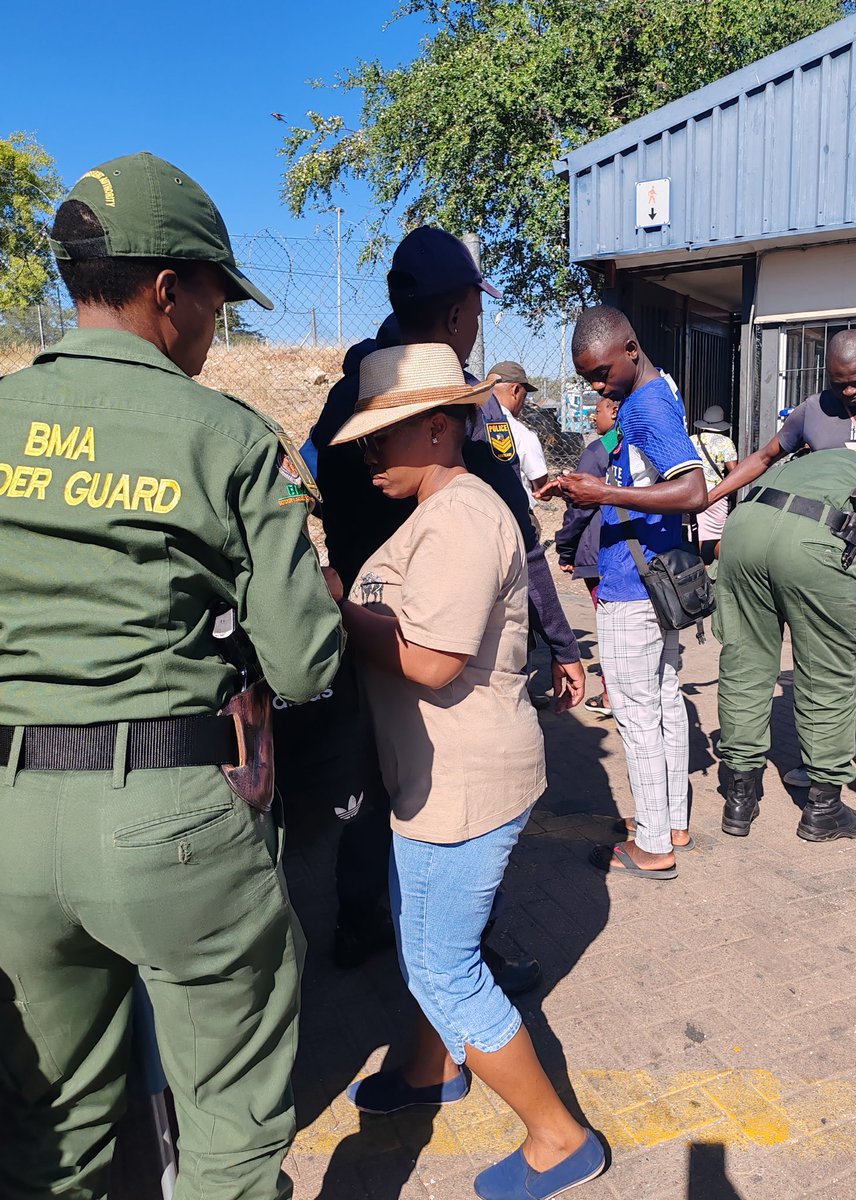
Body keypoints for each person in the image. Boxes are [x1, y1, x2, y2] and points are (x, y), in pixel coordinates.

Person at [0, 153, 344, 1200]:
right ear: (166, 291)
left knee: (48, 1136)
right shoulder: (230, 437)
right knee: (231, 1130)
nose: (217, 325)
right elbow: (304, 660)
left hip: (10, 822)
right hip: (168, 817)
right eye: (215, 300)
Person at [326, 341, 606, 1200]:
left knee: (444, 966)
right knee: (423, 939)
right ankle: (426, 1067)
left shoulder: (459, 516)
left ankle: (560, 1138)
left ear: (441, 429)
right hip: (438, 779)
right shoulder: (441, 507)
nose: (371, 455)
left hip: (463, 784)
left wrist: (338, 605)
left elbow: (434, 660)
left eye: (385, 437)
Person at [307, 227, 584, 978]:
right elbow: (520, 541)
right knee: (445, 800)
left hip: (363, 630)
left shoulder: (346, 399)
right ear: (460, 314)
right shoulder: (458, 409)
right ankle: (458, 960)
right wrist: (562, 641)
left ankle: (364, 921)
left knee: (372, 784)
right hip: (435, 648)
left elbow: (313, 497)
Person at [538, 305, 706, 878]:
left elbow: (693, 491)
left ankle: (652, 844)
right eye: (586, 377)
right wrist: (592, 490)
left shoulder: (646, 404)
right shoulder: (659, 392)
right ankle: (670, 820)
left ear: (631, 349)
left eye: (600, 372)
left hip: (633, 586)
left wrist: (603, 496)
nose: (594, 386)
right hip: (652, 580)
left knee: (636, 714)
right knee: (661, 702)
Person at [705, 329, 856, 801]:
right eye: (839, 382)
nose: (849, 391)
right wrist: (710, 497)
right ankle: (818, 769)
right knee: (819, 661)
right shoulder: (812, 410)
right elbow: (766, 456)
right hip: (822, 555)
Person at [714, 447, 856, 841]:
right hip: (818, 540)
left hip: (744, 527)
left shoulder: (841, 461)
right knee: (826, 676)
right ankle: (824, 808)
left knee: (744, 664)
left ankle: (739, 798)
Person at [555, 394, 621, 716]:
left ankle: (611, 696)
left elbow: (579, 510)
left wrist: (565, 549)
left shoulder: (598, 451)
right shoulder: (636, 444)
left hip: (600, 555)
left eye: (596, 411)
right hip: (635, 555)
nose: (593, 418)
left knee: (608, 626)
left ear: (614, 410)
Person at [487, 359, 549, 506]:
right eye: (524, 395)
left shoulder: (470, 425)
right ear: (515, 390)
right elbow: (544, 492)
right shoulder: (522, 433)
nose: (523, 401)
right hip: (517, 518)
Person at [689, 404, 737, 562]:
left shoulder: (692, 440)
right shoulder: (726, 443)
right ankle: (723, 566)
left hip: (694, 492)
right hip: (717, 494)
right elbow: (734, 471)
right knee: (718, 533)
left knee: (698, 531)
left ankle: (697, 565)